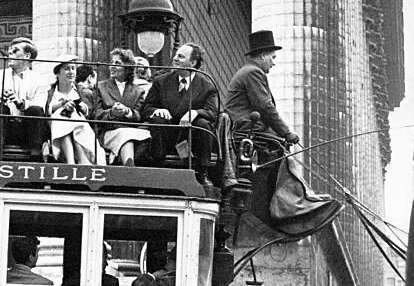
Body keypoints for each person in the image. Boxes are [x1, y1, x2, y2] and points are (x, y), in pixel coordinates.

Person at [143, 43, 219, 186]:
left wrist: (195, 112)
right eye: (176, 55)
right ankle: (158, 171)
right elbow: (145, 108)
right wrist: (156, 111)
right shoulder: (161, 81)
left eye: (181, 56)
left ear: (193, 62)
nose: (175, 59)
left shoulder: (207, 86)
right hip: (166, 134)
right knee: (158, 121)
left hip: (190, 137)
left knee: (203, 124)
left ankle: (202, 173)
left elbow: (212, 112)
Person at [224, 30, 300, 149]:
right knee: (281, 148)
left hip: (248, 128)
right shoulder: (253, 72)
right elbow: (265, 106)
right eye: (272, 57)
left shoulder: (248, 71)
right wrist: (286, 132)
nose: (273, 63)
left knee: (281, 143)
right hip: (248, 130)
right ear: (263, 55)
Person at [0, 36, 50, 159]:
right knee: (0, 109)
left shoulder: (41, 80)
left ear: (27, 56)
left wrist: (21, 103)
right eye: (9, 51)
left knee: (35, 110)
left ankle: (35, 157)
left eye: (15, 51)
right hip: (4, 128)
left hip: (28, 129)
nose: (9, 54)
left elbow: (41, 107)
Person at [89, 47, 150, 166]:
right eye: (111, 63)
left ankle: (120, 161)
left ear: (128, 68)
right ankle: (128, 168)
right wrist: (112, 113)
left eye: (117, 63)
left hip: (131, 131)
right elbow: (95, 114)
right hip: (108, 132)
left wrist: (127, 112)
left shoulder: (138, 91)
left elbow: (139, 116)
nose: (112, 66)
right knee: (126, 136)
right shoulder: (101, 87)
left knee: (146, 136)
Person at [45, 60, 104, 165]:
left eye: (73, 68)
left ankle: (75, 160)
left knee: (72, 116)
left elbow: (87, 111)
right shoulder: (50, 91)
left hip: (79, 125)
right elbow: (47, 110)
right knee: (60, 117)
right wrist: (62, 104)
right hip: (54, 125)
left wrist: (76, 105)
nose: (71, 72)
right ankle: (79, 160)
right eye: (66, 69)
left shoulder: (80, 90)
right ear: (57, 73)